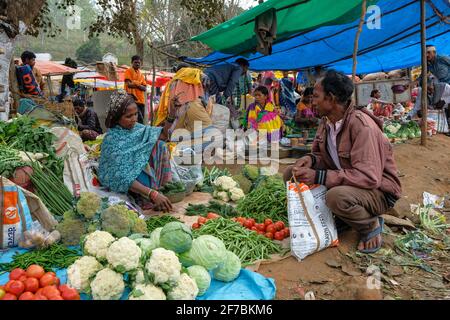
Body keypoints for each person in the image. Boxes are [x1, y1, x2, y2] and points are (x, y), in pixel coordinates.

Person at [283, 70, 402, 254]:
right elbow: (322, 155)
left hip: (378, 192)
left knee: (336, 197)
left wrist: (319, 175)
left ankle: (370, 225)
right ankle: (339, 218)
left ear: (330, 99)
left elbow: (369, 178)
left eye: (316, 96)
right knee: (291, 172)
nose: (312, 101)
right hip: (347, 180)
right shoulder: (326, 121)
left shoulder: (362, 126)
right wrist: (310, 159)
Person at [98, 92, 173, 211]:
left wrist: (172, 115)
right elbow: (122, 177)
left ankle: (164, 189)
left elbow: (163, 135)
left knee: (160, 145)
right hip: (125, 185)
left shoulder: (137, 128)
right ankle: (146, 196)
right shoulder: (112, 140)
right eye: (129, 116)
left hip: (142, 181)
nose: (134, 119)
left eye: (136, 114)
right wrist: (151, 194)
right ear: (117, 118)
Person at [124, 55, 148, 124]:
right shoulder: (128, 71)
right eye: (135, 62)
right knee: (138, 119)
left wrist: (135, 83)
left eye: (139, 63)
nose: (137, 64)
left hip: (141, 101)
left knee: (141, 120)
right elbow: (129, 85)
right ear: (132, 63)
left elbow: (144, 88)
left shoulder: (141, 74)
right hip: (132, 99)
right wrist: (139, 84)